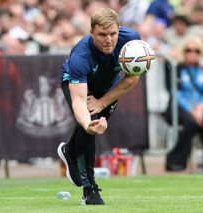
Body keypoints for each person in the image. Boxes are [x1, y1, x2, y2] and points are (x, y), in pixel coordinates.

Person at [57, 8, 141, 205]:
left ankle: (70, 151)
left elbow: (132, 79)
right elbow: (78, 101)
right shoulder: (81, 55)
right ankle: (90, 190)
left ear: (119, 30)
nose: (109, 40)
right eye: (102, 35)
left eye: (113, 34)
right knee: (91, 126)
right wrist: (88, 124)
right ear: (91, 32)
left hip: (107, 87)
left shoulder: (132, 40)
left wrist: (102, 102)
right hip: (78, 83)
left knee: (92, 123)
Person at [166, 36, 203, 172]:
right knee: (191, 123)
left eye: (196, 50)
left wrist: (200, 108)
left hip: (201, 108)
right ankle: (176, 162)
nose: (192, 53)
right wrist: (192, 111)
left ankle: (200, 161)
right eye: (189, 50)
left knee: (201, 121)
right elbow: (175, 93)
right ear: (184, 52)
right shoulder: (176, 69)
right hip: (178, 108)